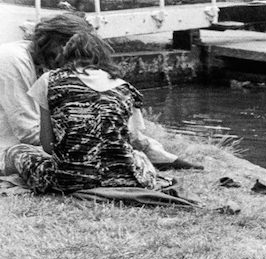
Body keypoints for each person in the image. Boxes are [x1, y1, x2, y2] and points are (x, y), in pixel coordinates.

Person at [0, 15, 195, 179]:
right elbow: (27, 131)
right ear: (57, 44)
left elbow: (124, 130)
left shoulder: (56, 72)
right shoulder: (12, 58)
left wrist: (158, 152)